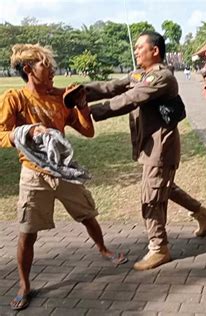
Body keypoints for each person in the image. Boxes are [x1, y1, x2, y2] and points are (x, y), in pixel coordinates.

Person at [0, 44, 127, 311]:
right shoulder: (15, 99)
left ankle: (103, 249)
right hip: (33, 174)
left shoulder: (61, 97)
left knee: (87, 214)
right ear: (28, 70)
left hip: (64, 170)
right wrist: (24, 132)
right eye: (47, 68)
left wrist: (81, 106)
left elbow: (88, 131)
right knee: (27, 233)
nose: (54, 72)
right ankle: (24, 285)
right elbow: (1, 134)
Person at [81, 31, 206, 271]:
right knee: (164, 187)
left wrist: (91, 112)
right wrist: (81, 92)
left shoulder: (161, 77)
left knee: (151, 198)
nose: (135, 51)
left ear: (154, 50)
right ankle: (203, 213)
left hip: (161, 148)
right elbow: (113, 86)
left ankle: (159, 248)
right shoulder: (141, 74)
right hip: (150, 146)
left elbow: (131, 98)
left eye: (139, 47)